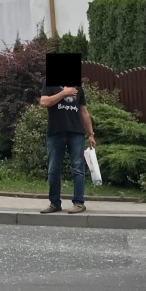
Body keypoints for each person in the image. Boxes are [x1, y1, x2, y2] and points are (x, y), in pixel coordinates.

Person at [38, 79, 95, 213]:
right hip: (55, 133)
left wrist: (91, 134)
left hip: (75, 132)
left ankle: (79, 203)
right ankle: (55, 203)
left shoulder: (78, 87)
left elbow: (84, 112)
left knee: (78, 169)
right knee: (53, 169)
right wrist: (63, 93)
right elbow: (44, 102)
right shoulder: (49, 84)